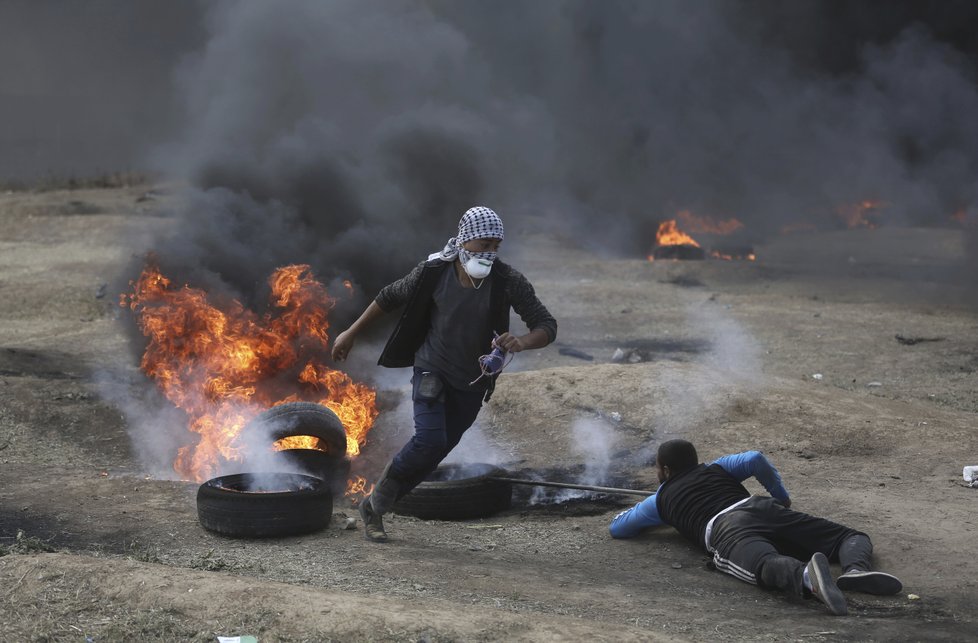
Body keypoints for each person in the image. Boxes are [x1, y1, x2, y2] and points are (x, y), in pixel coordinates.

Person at [331, 206, 557, 542]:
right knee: (429, 440)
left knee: (437, 451)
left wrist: (521, 342)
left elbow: (546, 325)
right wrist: (351, 332)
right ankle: (376, 508)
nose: (490, 252)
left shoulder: (508, 282)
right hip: (431, 368)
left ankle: (375, 505)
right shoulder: (433, 272)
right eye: (484, 244)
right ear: (465, 241)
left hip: (473, 381)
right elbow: (389, 296)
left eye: (496, 245)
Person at [609, 439, 903, 616]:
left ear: (667, 471)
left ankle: (806, 576)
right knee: (849, 536)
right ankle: (855, 569)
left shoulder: (660, 500)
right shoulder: (717, 467)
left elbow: (619, 528)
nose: (656, 472)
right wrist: (782, 498)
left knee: (762, 564)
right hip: (762, 507)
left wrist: (662, 508)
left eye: (658, 468)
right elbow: (754, 459)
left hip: (726, 529)